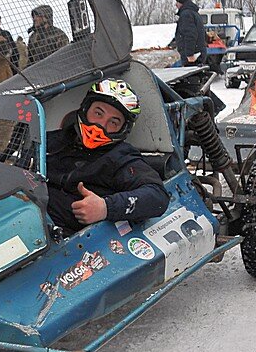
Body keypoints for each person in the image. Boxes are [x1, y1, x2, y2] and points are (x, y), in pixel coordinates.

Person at [46, 79, 169, 235]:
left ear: (122, 129)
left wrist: (105, 207)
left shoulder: (120, 157)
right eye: (98, 113)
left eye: (113, 122)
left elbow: (157, 197)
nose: (100, 126)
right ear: (85, 109)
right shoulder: (51, 141)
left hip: (68, 237)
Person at [171, 0, 206, 66]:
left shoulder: (186, 14)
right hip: (198, 53)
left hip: (192, 56)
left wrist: (190, 54)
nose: (176, 5)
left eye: (177, 2)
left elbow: (190, 34)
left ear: (181, 3)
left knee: (191, 72)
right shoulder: (194, 13)